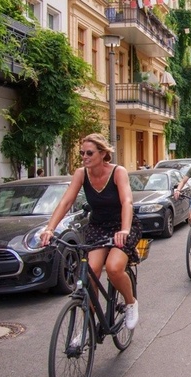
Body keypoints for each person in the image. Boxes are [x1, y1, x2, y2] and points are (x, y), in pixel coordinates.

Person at [40, 133, 141, 330]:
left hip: (122, 225)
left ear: (103, 153)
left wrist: (125, 229)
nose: (84, 156)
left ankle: (131, 303)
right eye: (82, 153)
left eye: (89, 153)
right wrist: (49, 229)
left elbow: (126, 201)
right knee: (91, 272)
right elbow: (66, 201)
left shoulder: (118, 172)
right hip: (97, 226)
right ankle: (90, 326)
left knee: (113, 268)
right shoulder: (81, 174)